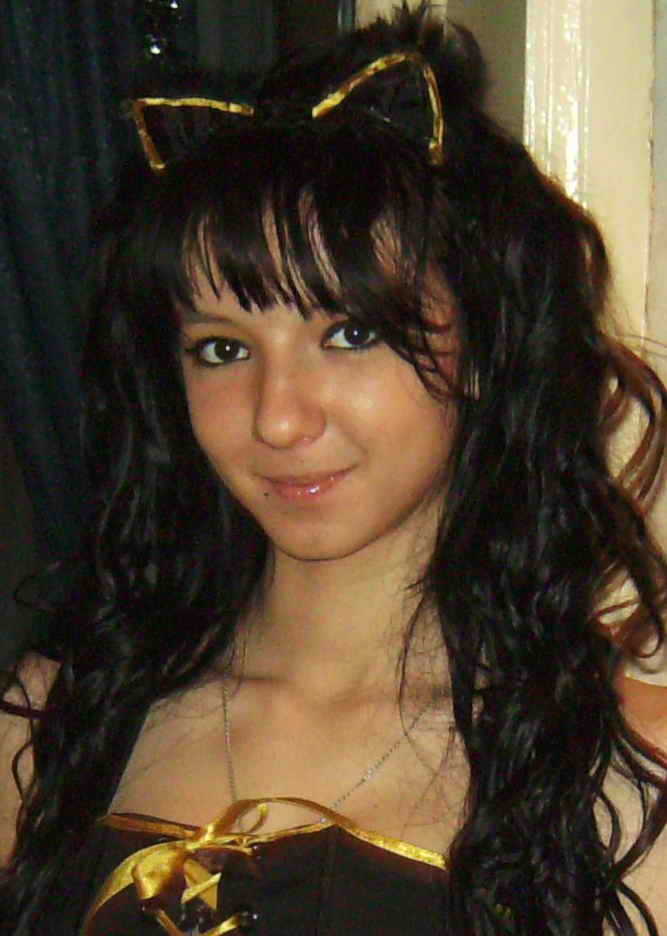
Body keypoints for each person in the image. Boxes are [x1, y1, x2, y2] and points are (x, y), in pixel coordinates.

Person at [1, 4, 666, 933]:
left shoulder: (625, 768)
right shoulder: (52, 721)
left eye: (350, 335)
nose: (277, 417)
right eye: (222, 349)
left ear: (485, 343)